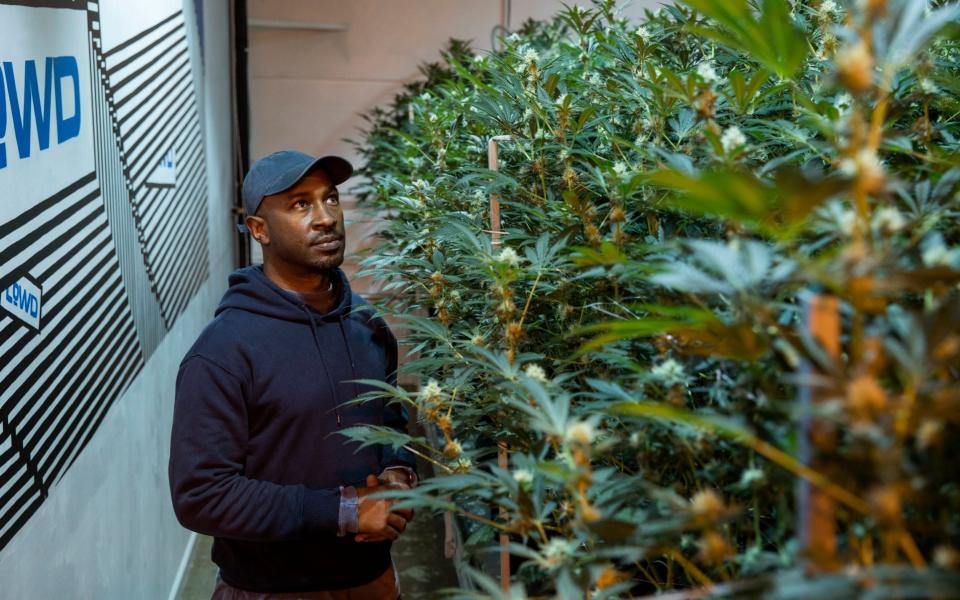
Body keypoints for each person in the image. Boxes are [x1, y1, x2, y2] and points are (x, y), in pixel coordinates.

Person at [169, 150, 418, 599]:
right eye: (300, 205)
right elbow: (201, 495)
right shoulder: (223, 352)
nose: (325, 218)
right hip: (271, 589)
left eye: (331, 199)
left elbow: (392, 425)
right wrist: (342, 510)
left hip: (372, 580)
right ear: (259, 230)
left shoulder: (369, 326)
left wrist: (399, 474)